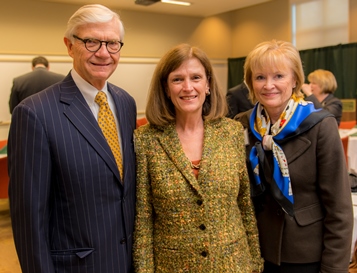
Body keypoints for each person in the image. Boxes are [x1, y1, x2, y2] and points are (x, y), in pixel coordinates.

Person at [8, 4, 137, 273]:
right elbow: (29, 220)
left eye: (113, 43)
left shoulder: (126, 103)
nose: (104, 53)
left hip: (127, 262)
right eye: (91, 42)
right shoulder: (34, 113)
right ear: (69, 46)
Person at [133, 43, 263, 273]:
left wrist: (255, 263)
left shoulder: (231, 132)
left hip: (233, 263)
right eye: (177, 79)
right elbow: (144, 218)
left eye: (196, 77)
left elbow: (244, 204)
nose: (188, 87)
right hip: (172, 266)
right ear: (165, 87)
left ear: (208, 84)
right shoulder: (146, 139)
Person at [235, 39, 353, 273]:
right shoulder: (241, 125)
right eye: (260, 77)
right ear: (250, 83)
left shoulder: (320, 125)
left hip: (306, 255)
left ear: (296, 79)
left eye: (279, 76)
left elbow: (339, 209)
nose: (269, 85)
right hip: (254, 252)